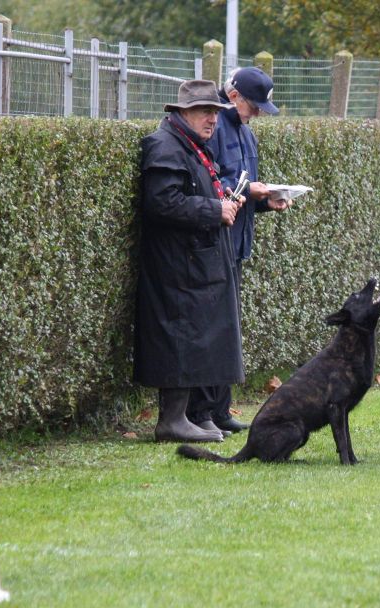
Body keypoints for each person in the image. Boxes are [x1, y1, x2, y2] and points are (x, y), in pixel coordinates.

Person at [134, 79, 245, 443]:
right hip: (175, 266)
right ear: (182, 112)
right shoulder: (164, 145)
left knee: (198, 336)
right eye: (204, 111)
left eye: (214, 112)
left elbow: (192, 191)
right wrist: (215, 209)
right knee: (180, 337)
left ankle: (191, 417)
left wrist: (224, 199)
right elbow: (162, 202)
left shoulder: (193, 145)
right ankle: (172, 421)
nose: (212, 119)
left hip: (194, 262)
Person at [192, 67, 291, 435]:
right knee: (210, 329)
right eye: (254, 105)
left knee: (227, 330)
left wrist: (269, 202)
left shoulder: (247, 135)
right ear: (233, 96)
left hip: (237, 246)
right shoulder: (213, 129)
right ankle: (200, 412)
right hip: (214, 243)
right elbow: (211, 181)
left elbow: (245, 191)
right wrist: (250, 192)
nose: (259, 112)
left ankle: (219, 410)